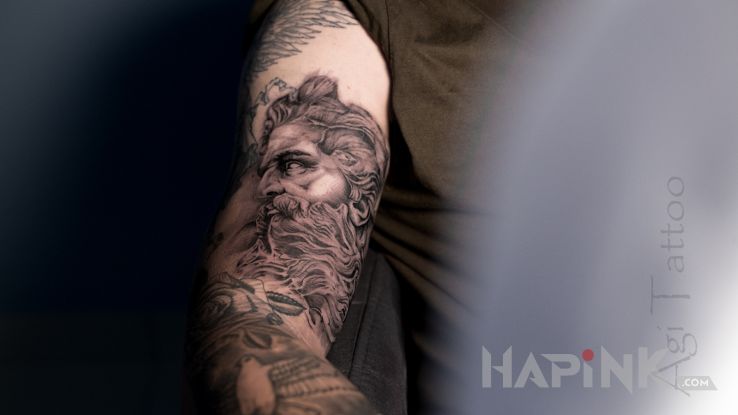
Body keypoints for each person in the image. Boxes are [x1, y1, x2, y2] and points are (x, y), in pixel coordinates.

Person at [186, 0, 530, 413]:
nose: (279, 184)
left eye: (295, 166)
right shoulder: (351, 20)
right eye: (292, 165)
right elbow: (253, 312)